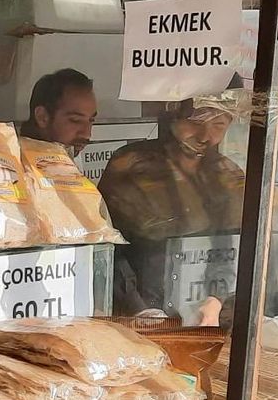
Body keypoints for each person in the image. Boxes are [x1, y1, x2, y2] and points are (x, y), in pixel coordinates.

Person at [97, 95, 246, 324]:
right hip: (139, 312)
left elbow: (228, 247)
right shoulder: (131, 166)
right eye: (196, 122)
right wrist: (139, 308)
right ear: (173, 114)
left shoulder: (227, 175)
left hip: (204, 315)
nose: (205, 136)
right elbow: (107, 242)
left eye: (218, 125)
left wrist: (216, 298)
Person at [19, 68, 98, 153]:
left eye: (91, 120)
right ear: (42, 117)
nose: (87, 134)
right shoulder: (14, 159)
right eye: (76, 120)